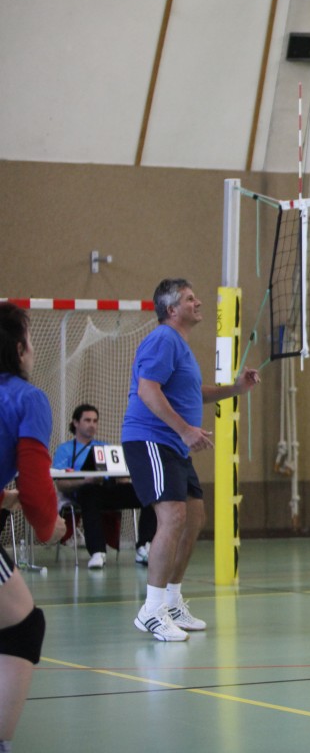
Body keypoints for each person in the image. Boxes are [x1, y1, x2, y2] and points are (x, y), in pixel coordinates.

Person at [122, 279, 260, 642]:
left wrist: (236, 388)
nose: (198, 303)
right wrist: (185, 430)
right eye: (189, 299)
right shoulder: (163, 339)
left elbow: (192, 392)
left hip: (173, 444)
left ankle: (171, 601)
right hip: (151, 440)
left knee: (194, 517)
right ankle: (151, 610)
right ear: (171, 310)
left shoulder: (179, 346)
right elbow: (147, 389)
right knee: (173, 517)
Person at [0, 303, 67, 749]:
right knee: (24, 627)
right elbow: (36, 486)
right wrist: (50, 527)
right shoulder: (28, 399)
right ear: (20, 348)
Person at [52, 403, 157, 569]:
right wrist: (85, 481)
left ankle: (144, 546)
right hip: (83, 492)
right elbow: (61, 484)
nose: (92, 424)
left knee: (151, 494)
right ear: (76, 423)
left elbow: (121, 476)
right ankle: (98, 552)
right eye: (87, 420)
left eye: (95, 421)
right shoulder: (64, 450)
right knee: (90, 493)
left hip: (108, 490)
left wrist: (123, 478)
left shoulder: (106, 447)